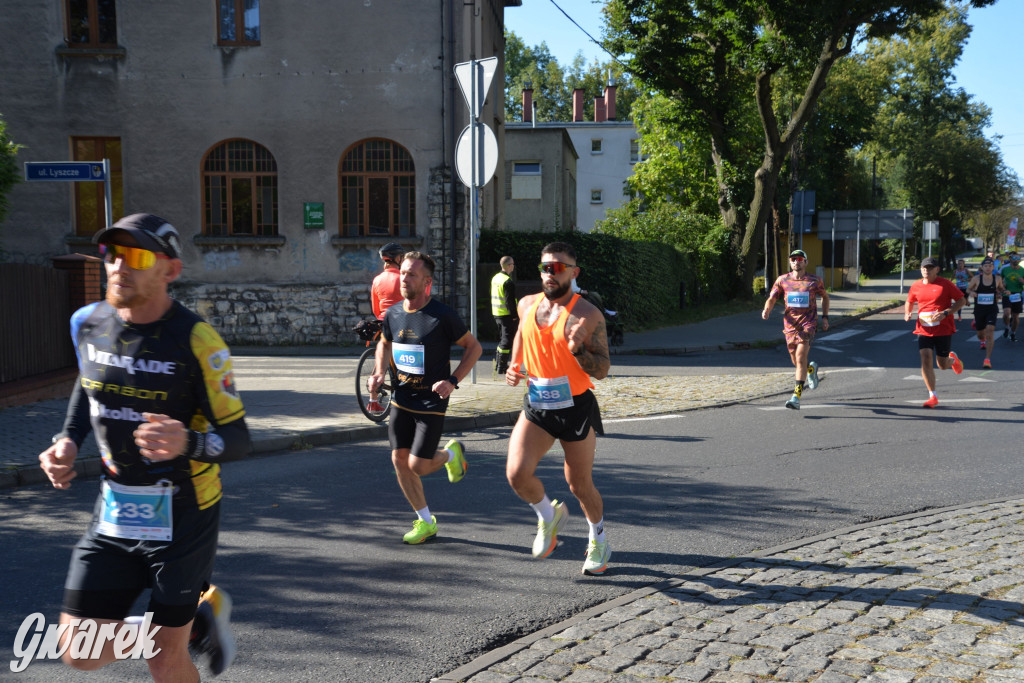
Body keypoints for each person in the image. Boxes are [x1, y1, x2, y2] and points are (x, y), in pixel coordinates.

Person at [37, 213, 251, 680]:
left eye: (134, 255)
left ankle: (182, 632)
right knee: (79, 651)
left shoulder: (198, 342)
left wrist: (188, 441)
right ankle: (196, 623)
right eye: (111, 254)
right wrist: (67, 442)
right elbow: (87, 386)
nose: (118, 266)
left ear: (169, 270)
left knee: (163, 658)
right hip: (114, 508)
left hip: (184, 513)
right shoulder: (87, 322)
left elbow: (238, 438)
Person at [504, 242, 612, 576]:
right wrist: (515, 364)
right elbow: (522, 333)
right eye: (544, 267)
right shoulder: (526, 304)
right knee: (517, 474)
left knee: (579, 484)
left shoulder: (587, 315)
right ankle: (549, 518)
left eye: (557, 267)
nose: (549, 273)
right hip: (537, 403)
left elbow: (603, 369)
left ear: (573, 272)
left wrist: (578, 350)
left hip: (575, 408)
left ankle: (599, 538)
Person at [369, 252, 482, 544]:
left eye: (411, 275)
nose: (404, 279)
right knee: (398, 459)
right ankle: (426, 521)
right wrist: (379, 372)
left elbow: (474, 347)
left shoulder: (441, 316)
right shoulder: (393, 314)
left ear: (427, 282)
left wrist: (453, 380)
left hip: (432, 400)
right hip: (402, 397)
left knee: (418, 465)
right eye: (403, 273)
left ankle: (451, 455)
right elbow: (384, 343)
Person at [761, 249, 830, 410]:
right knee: (796, 361)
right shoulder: (782, 280)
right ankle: (811, 369)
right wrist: (767, 310)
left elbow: (825, 297)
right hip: (790, 326)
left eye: (799, 259)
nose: (796, 261)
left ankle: (796, 397)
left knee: (800, 358)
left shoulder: (814, 281)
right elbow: (772, 298)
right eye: (793, 259)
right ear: (790, 262)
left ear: (805, 262)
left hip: (809, 324)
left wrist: (825, 317)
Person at [905, 255, 966, 407]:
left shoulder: (945, 284)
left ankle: (953, 360)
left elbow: (961, 300)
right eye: (924, 268)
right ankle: (933, 395)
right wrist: (908, 312)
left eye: (930, 268)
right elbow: (909, 300)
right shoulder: (916, 286)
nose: (926, 270)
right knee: (925, 358)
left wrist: (946, 312)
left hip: (943, 329)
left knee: (942, 365)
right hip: (923, 329)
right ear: (920, 269)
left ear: (937, 270)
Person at [368, 242, 406, 412]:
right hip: (402, 322)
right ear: (397, 259)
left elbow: (376, 309)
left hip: (383, 322)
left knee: (381, 359)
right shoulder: (404, 278)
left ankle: (373, 401)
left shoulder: (377, 279)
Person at [966, 256, 1004, 369]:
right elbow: (968, 289)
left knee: (990, 331)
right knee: (980, 334)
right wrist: (971, 293)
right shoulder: (977, 279)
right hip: (979, 309)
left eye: (990, 266)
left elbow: (1001, 288)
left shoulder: (997, 278)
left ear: (993, 267)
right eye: (986, 266)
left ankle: (987, 359)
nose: (988, 268)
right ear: (982, 267)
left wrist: (1002, 292)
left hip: (992, 308)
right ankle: (982, 340)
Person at [490, 255, 518, 376]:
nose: (513, 267)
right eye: (512, 264)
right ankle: (502, 367)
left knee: (502, 339)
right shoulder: (507, 281)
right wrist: (514, 315)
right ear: (508, 265)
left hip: (496, 313)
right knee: (506, 341)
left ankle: (498, 365)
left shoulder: (495, 278)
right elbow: (509, 301)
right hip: (506, 315)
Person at [999, 252, 1024, 340]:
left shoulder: (1022, 270)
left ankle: (1013, 333)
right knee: (1006, 314)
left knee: (1015, 316)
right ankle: (1007, 327)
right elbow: (998, 278)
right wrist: (1002, 286)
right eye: (1014, 258)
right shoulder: (1004, 269)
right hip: (1007, 293)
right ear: (1010, 259)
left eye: (1018, 258)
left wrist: (1023, 281)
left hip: (1017, 294)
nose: (1016, 260)